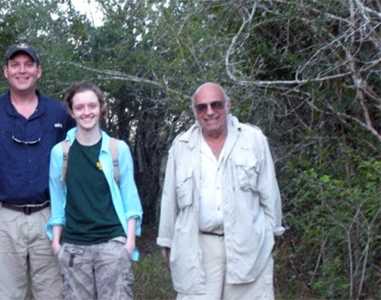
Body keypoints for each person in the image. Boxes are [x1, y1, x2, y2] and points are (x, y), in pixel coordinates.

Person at [156, 82, 285, 299]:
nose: (210, 112)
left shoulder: (253, 140)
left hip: (248, 246)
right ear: (195, 112)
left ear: (228, 105)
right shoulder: (182, 146)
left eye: (216, 105)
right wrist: (167, 244)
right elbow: (170, 202)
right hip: (198, 248)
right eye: (202, 107)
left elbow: (270, 195)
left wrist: (269, 238)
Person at [0, 42, 74, 300]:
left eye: (28, 65)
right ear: (5, 71)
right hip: (1, 217)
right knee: (4, 295)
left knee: (54, 294)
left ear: (39, 71)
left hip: (50, 216)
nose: (22, 70)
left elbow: (74, 171)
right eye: (15, 65)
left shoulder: (60, 113)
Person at [46, 81, 143, 300]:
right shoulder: (60, 154)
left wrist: (129, 244)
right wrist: (56, 244)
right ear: (71, 112)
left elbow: (131, 201)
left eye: (92, 106)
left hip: (112, 247)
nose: (86, 112)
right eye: (79, 107)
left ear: (101, 108)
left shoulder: (118, 150)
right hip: (73, 249)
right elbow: (57, 201)